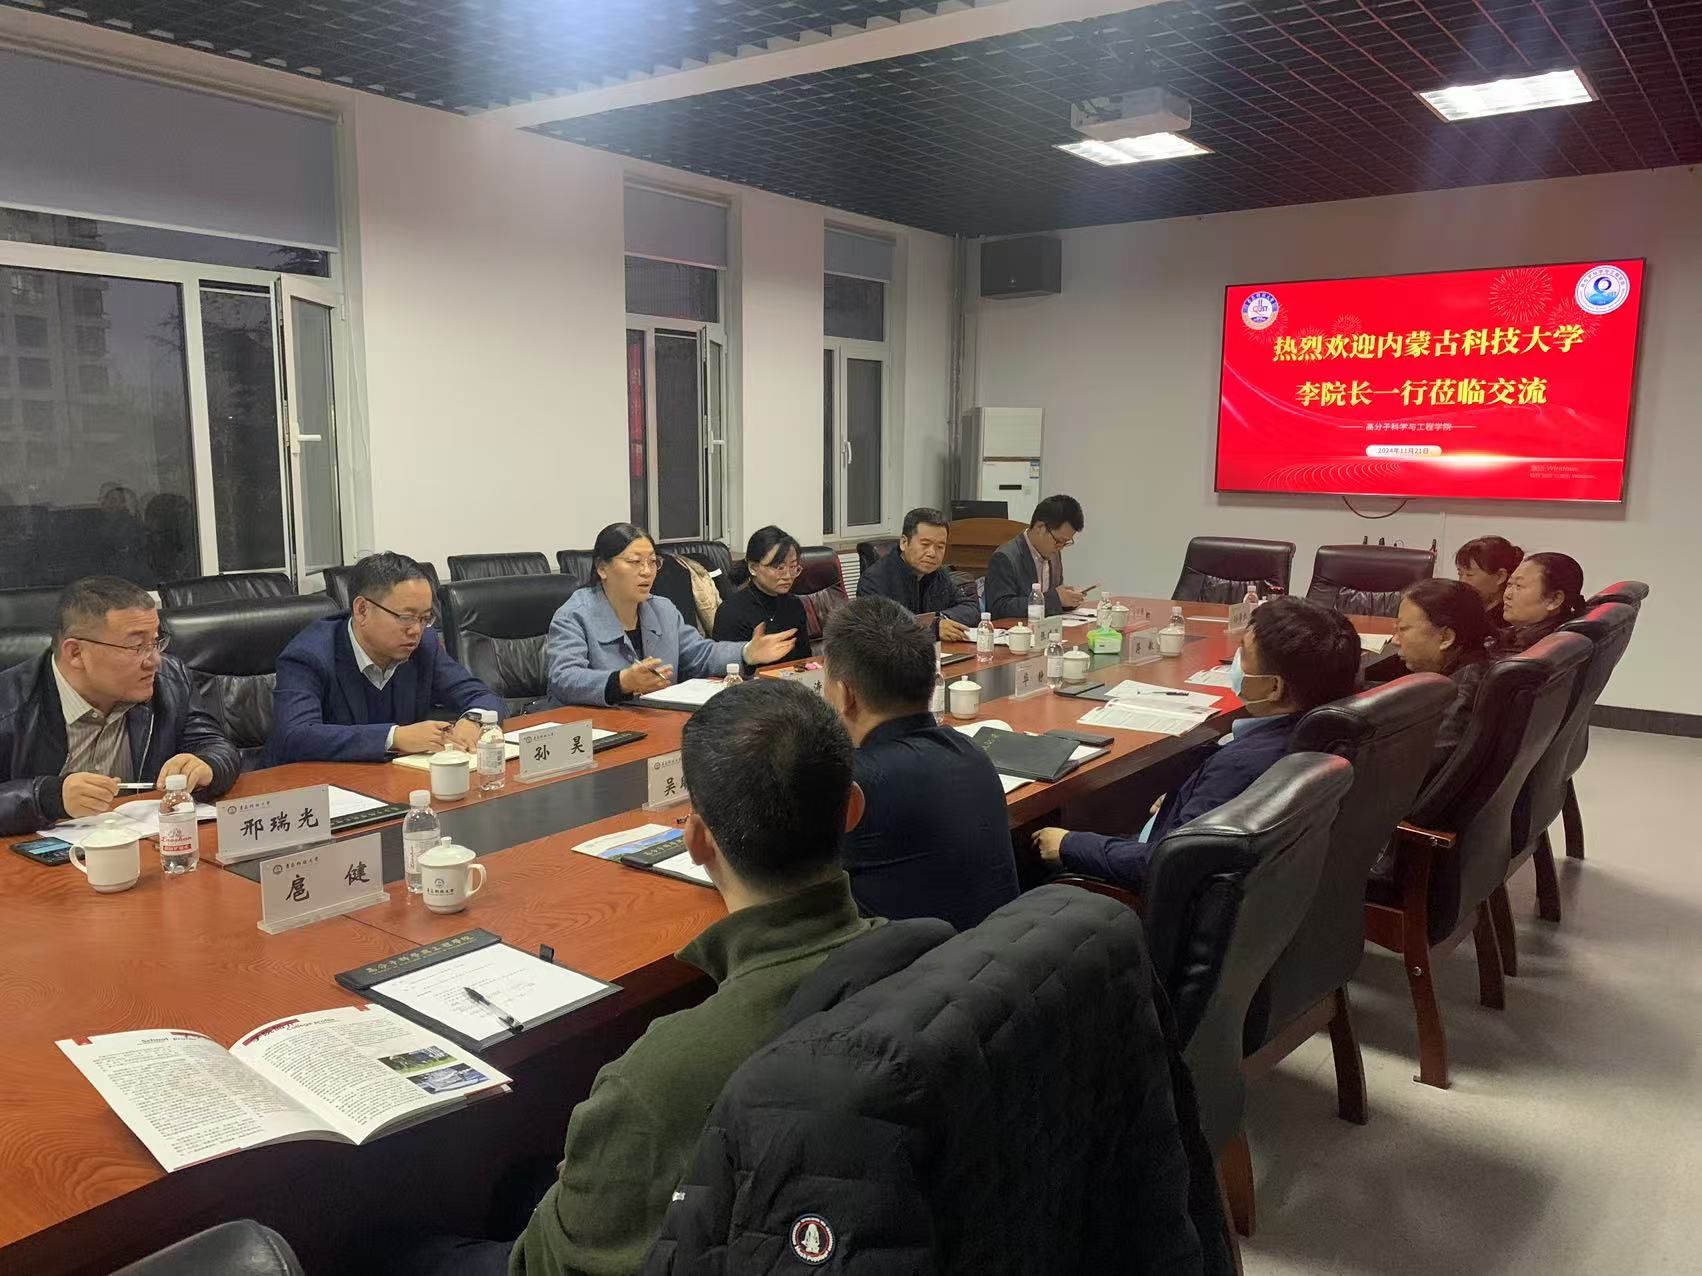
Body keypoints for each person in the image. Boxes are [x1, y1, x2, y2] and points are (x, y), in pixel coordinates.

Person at [502, 680, 879, 1275]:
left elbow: (541, 1265)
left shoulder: (655, 1077)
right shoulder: (932, 956)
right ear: (853, 809)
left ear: (697, 840)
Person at [1032, 596, 1361, 892]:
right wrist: (1185, 798)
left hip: (1150, 888)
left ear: (1274, 688)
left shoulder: (1240, 766)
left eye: (1244, 652)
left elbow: (1164, 865)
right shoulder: (1316, 735)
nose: (1234, 659)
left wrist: (1070, 844)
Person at [821, 595, 1018, 929]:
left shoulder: (854, 784)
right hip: (993, 953)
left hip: (910, 961)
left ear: (844, 694)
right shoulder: (970, 752)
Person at [0, 576, 239, 835]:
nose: (155, 660)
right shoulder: (9, 705)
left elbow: (216, 746)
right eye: (137, 646)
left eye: (155, 641)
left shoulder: (169, 680)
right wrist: (45, 798)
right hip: (39, 855)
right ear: (75, 653)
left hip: (145, 845)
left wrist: (207, 765)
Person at [268, 551, 504, 764]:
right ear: (362, 610)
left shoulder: (423, 646)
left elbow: (483, 697)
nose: (416, 630)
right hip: (314, 787)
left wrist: (473, 720)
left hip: (392, 781)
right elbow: (295, 736)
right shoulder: (308, 656)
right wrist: (395, 737)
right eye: (406, 617)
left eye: (425, 618)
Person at [545, 523, 796, 707]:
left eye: (652, 562)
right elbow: (563, 677)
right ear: (602, 568)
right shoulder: (574, 615)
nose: (647, 571)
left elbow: (701, 654)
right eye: (635, 562)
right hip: (594, 729)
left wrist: (746, 653)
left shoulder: (662, 609)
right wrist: (621, 682)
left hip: (653, 720)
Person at [1386, 578, 1498, 773]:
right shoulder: (1478, 671)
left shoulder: (1457, 700)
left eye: (1403, 629)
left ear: (1445, 637)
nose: (1395, 640)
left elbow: (1413, 775)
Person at [856, 507, 982, 641]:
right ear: (904, 543)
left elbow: (971, 608)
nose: (932, 553)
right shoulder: (874, 580)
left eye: (940, 546)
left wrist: (941, 619)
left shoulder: (938, 574)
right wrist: (932, 628)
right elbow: (879, 630)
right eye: (925, 544)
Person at [710, 526, 812, 664]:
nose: (788, 576)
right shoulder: (731, 612)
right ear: (753, 568)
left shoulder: (794, 605)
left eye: (793, 567)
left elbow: (805, 660)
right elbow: (726, 667)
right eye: (779, 568)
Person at [983, 494, 1092, 619]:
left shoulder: (1054, 554)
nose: (1060, 547)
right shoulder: (1005, 558)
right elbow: (1000, 608)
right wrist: (1055, 599)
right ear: (1040, 528)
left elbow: (1054, 600)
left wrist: (1068, 600)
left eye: (1065, 543)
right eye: (1058, 541)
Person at [1501, 551, 1587, 650]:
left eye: (1519, 586)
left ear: (1554, 599)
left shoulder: (1534, 650)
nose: (1507, 595)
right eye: (1509, 584)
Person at [1454, 535, 1524, 628]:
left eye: (1469, 575)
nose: (1462, 581)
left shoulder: (1508, 623)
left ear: (1500, 577)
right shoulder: (1465, 612)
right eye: (1460, 574)